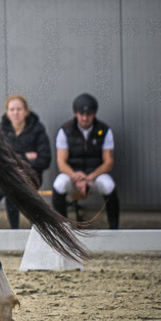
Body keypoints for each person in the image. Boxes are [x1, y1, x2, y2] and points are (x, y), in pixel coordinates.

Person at [0, 94, 51, 229]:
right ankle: (18, 230)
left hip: (32, 176)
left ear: (26, 111)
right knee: (10, 184)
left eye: (19, 109)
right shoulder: (1, 131)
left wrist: (16, 161)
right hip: (9, 176)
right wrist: (26, 158)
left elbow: (45, 159)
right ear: (7, 112)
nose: (15, 113)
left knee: (9, 181)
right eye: (12, 109)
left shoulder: (37, 129)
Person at [52, 93, 120, 229]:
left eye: (88, 114)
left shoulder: (104, 131)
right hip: (73, 176)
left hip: (94, 176)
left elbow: (108, 163)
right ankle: (62, 229)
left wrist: (88, 178)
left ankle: (114, 228)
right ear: (76, 114)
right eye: (81, 114)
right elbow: (61, 163)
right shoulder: (65, 131)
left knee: (109, 185)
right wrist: (77, 177)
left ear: (94, 114)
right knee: (59, 184)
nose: (84, 118)